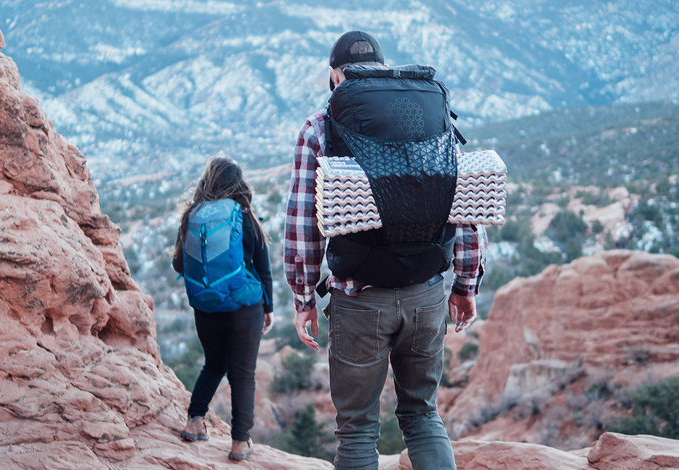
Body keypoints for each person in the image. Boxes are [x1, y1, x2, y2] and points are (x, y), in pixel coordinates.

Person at [284, 31, 487, 470]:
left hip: (360, 296)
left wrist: (303, 298)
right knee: (423, 416)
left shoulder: (320, 125)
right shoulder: (430, 113)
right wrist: (466, 284)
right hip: (427, 292)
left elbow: (304, 222)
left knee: (357, 429)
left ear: (335, 74)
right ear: (381, 66)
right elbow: (465, 201)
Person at [173, 157, 274, 461]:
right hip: (244, 310)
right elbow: (263, 269)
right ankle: (239, 443)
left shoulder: (191, 216)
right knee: (242, 375)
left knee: (214, 364)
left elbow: (179, 263)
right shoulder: (245, 217)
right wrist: (267, 306)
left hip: (205, 308)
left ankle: (193, 421)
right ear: (237, 183)